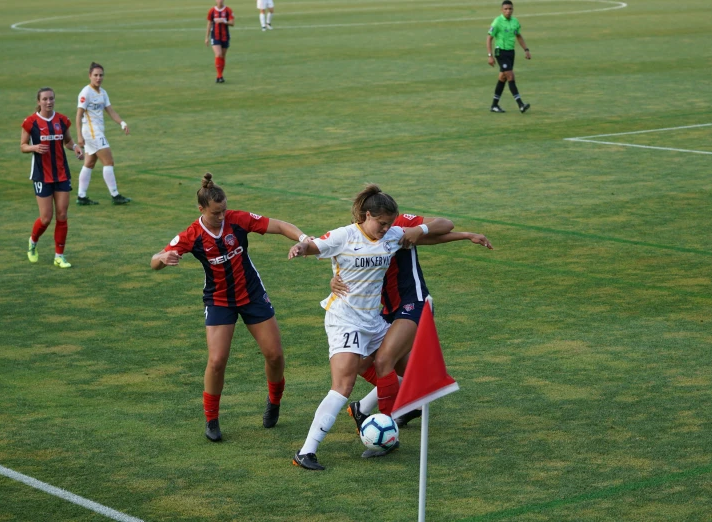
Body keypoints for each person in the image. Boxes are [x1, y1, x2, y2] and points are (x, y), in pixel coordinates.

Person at [288, 185, 441, 471]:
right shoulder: (344, 235)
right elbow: (315, 246)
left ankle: (383, 418)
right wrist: (300, 247)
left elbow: (442, 227)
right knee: (343, 385)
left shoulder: (392, 235)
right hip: (344, 319)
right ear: (366, 215)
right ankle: (306, 452)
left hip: (374, 321)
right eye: (381, 223)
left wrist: (424, 230)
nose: (386, 229)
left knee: (411, 373)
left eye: (390, 224)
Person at [151, 173, 310, 443]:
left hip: (252, 295)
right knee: (216, 361)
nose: (222, 216)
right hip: (219, 301)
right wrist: (162, 258)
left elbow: (281, 226)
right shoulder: (192, 235)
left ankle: (274, 401)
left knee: (274, 355)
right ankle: (211, 420)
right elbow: (154, 262)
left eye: (224, 210)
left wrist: (305, 239)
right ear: (201, 210)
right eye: (216, 213)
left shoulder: (237, 219)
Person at [340, 220, 493, 456]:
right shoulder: (355, 235)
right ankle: (373, 406)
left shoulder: (396, 224)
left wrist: (459, 234)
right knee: (363, 363)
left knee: (384, 362)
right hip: (386, 312)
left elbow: (441, 227)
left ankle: (386, 432)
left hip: (414, 304)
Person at [21, 87, 84, 269]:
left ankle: (59, 256)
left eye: (51, 99)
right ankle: (33, 241)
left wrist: (76, 149)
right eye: (45, 99)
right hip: (41, 175)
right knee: (46, 218)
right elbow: (23, 146)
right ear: (39, 101)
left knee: (62, 215)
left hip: (62, 173)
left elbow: (68, 142)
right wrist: (34, 148)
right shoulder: (30, 122)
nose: (49, 102)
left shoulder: (62, 120)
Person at [75, 62, 132, 205]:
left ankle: (81, 196)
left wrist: (122, 123)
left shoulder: (103, 92)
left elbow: (110, 111)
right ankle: (115, 195)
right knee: (108, 161)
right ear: (90, 76)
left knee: (89, 163)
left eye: (101, 75)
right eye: (95, 75)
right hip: (92, 132)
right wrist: (79, 136)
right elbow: (78, 115)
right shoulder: (86, 93)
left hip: (97, 132)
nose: (98, 78)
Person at [487, 0, 531, 113]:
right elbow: (489, 38)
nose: (508, 11)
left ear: (513, 9)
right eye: (505, 9)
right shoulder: (497, 22)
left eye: (510, 9)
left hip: (511, 53)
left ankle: (494, 105)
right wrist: (490, 56)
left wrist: (526, 50)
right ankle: (521, 104)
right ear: (502, 10)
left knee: (503, 78)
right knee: (510, 76)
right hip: (500, 52)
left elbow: (519, 36)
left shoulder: (515, 21)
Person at [205, 0, 235, 83]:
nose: (220, 1)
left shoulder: (228, 10)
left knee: (222, 56)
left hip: (225, 36)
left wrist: (224, 21)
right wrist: (206, 37)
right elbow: (209, 23)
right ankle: (219, 76)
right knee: (218, 54)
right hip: (215, 36)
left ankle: (220, 76)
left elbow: (232, 23)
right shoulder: (212, 11)